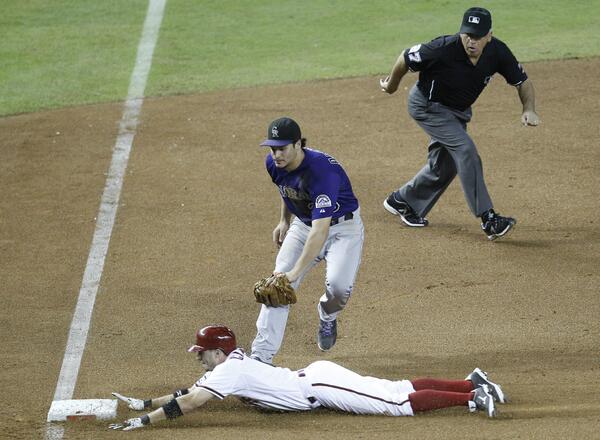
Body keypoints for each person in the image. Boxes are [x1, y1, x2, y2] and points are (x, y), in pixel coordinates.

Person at [110, 325, 508, 431]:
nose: (199, 359)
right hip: (315, 380)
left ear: (217, 351)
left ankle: (471, 395)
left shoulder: (228, 372)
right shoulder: (229, 366)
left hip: (317, 387)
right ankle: (470, 382)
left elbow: (192, 403)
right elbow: (189, 393)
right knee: (397, 389)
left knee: (397, 403)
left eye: (201, 353)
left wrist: (145, 422)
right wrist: (147, 404)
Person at [380, 7, 540, 240]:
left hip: (457, 112)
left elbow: (522, 81)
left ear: (489, 35)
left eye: (477, 36)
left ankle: (403, 201)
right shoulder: (442, 48)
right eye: (467, 35)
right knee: (465, 150)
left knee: (446, 165)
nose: (471, 41)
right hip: (427, 107)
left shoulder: (498, 52)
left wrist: (529, 109)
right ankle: (489, 219)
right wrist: (392, 86)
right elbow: (405, 57)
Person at [251, 117, 364, 363]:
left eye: (282, 148)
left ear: (298, 145)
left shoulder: (323, 172)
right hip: (303, 224)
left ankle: (328, 317)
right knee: (277, 286)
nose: (276, 154)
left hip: (342, 229)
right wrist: (284, 220)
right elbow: (287, 188)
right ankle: (261, 358)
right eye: (273, 148)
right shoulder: (273, 164)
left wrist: (295, 273)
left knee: (338, 288)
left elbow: (320, 231)